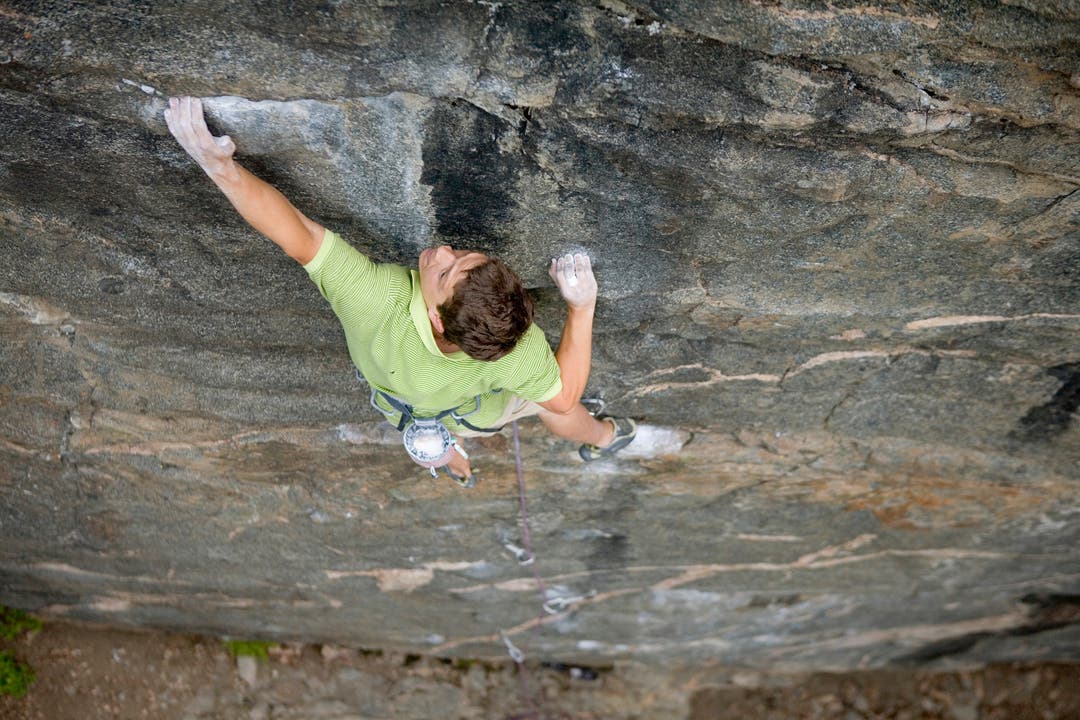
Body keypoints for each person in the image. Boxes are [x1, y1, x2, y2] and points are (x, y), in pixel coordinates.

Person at [164, 96, 636, 486]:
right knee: (558, 413)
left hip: (407, 410)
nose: (443, 251)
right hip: (476, 413)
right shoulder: (515, 352)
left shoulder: (376, 299)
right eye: (464, 258)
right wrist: (581, 307)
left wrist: (219, 166)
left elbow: (298, 236)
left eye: (445, 272)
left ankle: (450, 458)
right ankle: (603, 437)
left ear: (436, 318)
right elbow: (563, 395)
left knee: (445, 433)